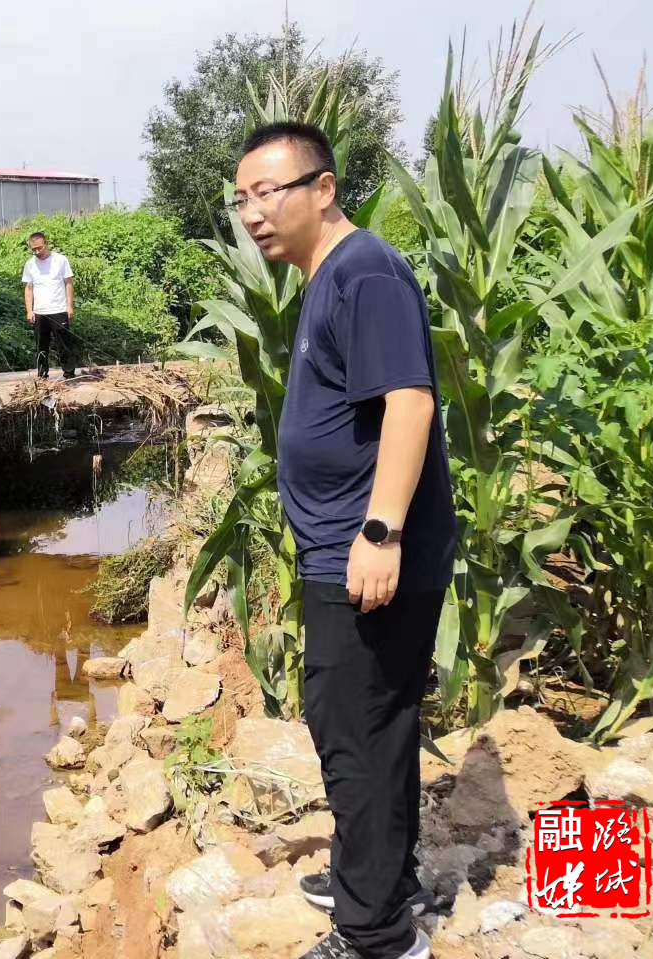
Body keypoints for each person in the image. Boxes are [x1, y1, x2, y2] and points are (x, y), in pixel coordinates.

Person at [231, 121, 456, 959]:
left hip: (363, 554)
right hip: (344, 550)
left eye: (268, 192)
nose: (252, 213)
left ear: (323, 189)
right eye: (241, 199)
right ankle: (382, 879)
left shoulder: (365, 272)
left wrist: (379, 530)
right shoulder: (330, 275)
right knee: (374, 725)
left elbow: (410, 402)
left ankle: (374, 936)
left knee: (354, 732)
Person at [21, 231, 80, 378]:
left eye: (39, 248)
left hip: (59, 309)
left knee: (64, 344)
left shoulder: (60, 260)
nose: (37, 252)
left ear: (46, 244)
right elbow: (28, 288)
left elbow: (68, 283)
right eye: (33, 249)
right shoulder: (30, 264)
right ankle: (42, 375)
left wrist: (69, 306)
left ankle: (69, 373)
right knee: (41, 345)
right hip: (39, 311)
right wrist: (29, 310)